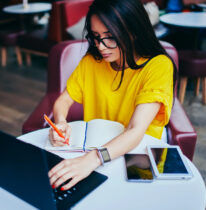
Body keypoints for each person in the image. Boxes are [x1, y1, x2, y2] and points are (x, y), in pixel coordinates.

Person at [48, 0, 176, 191]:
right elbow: (64, 100)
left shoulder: (158, 66)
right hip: (97, 148)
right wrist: (60, 123)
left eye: (109, 37)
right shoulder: (92, 62)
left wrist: (92, 160)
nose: (100, 46)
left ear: (133, 32)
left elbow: (135, 130)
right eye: (96, 37)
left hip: (139, 152)